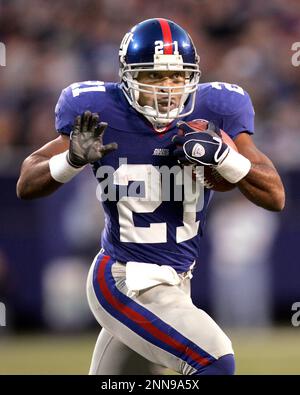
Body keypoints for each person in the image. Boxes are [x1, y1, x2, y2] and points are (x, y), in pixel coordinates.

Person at [16, 18, 285, 375]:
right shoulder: (101, 111)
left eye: (176, 77)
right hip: (122, 278)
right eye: (154, 76)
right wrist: (71, 160)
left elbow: (274, 195)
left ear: (192, 76)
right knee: (215, 363)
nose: (167, 89)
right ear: (128, 78)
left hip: (176, 281)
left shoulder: (216, 110)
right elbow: (26, 182)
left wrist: (223, 157)